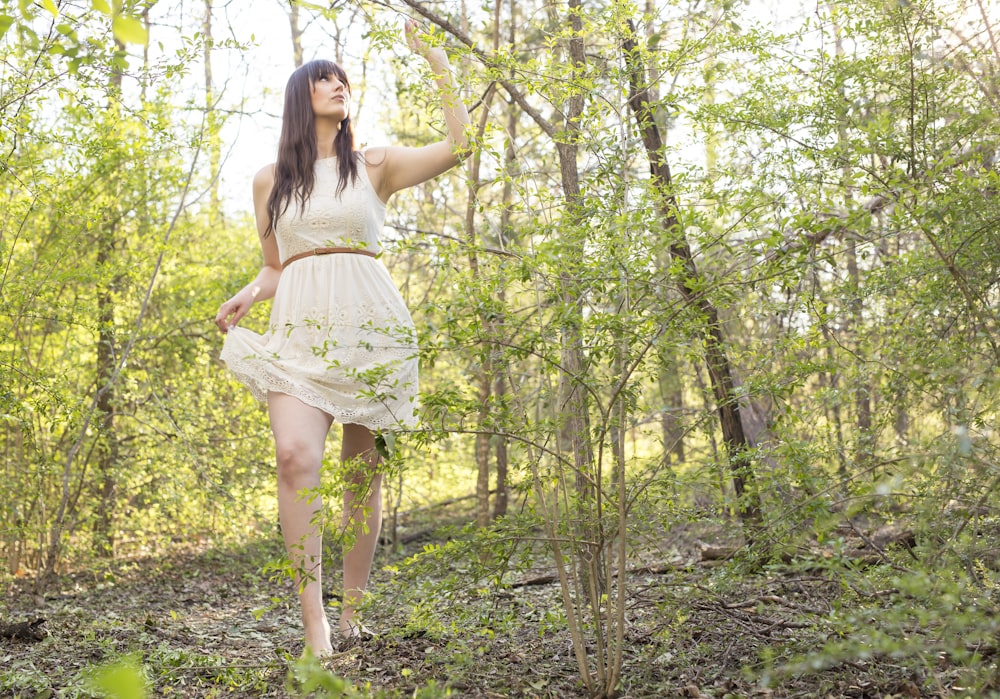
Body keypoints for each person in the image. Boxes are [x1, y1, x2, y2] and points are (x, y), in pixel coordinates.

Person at [214, 19, 470, 656]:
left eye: (343, 80)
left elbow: (460, 146)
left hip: (371, 325)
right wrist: (250, 291)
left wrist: (436, 57)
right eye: (324, 79)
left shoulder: (373, 164)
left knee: (361, 473)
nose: (337, 85)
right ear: (301, 97)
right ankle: (315, 623)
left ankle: (352, 610)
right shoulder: (268, 180)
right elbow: (276, 264)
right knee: (295, 458)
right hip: (298, 328)